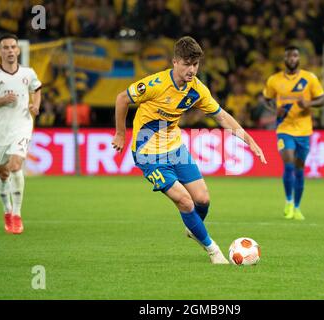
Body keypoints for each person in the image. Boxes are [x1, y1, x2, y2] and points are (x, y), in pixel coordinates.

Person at [112, 36, 266, 264]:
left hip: (174, 147)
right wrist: (121, 133)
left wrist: (249, 140)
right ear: (175, 61)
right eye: (187, 63)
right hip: (148, 153)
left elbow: (221, 116)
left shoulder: (197, 90)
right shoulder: (155, 84)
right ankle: (214, 251)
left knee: (202, 199)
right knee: (185, 201)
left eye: (195, 64)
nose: (191, 69)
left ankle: (195, 229)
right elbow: (122, 98)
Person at [0, 34, 42, 234]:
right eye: (6, 48)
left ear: (18, 50)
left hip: (22, 125)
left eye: (13, 47)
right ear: (0, 51)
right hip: (0, 130)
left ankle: (17, 215)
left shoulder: (28, 73)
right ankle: (7, 211)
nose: (10, 51)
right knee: (3, 172)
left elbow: (37, 89)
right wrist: (2, 100)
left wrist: (36, 106)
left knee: (15, 165)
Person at [263, 45, 324, 220]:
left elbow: (323, 98)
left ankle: (297, 207)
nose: (292, 59)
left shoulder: (309, 78)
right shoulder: (274, 80)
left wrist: (310, 104)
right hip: (284, 128)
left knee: (299, 169)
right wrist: (275, 110)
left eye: (295, 56)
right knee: (288, 163)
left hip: (304, 130)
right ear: (284, 59)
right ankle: (288, 201)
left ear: (299, 58)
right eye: (289, 56)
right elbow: (266, 99)